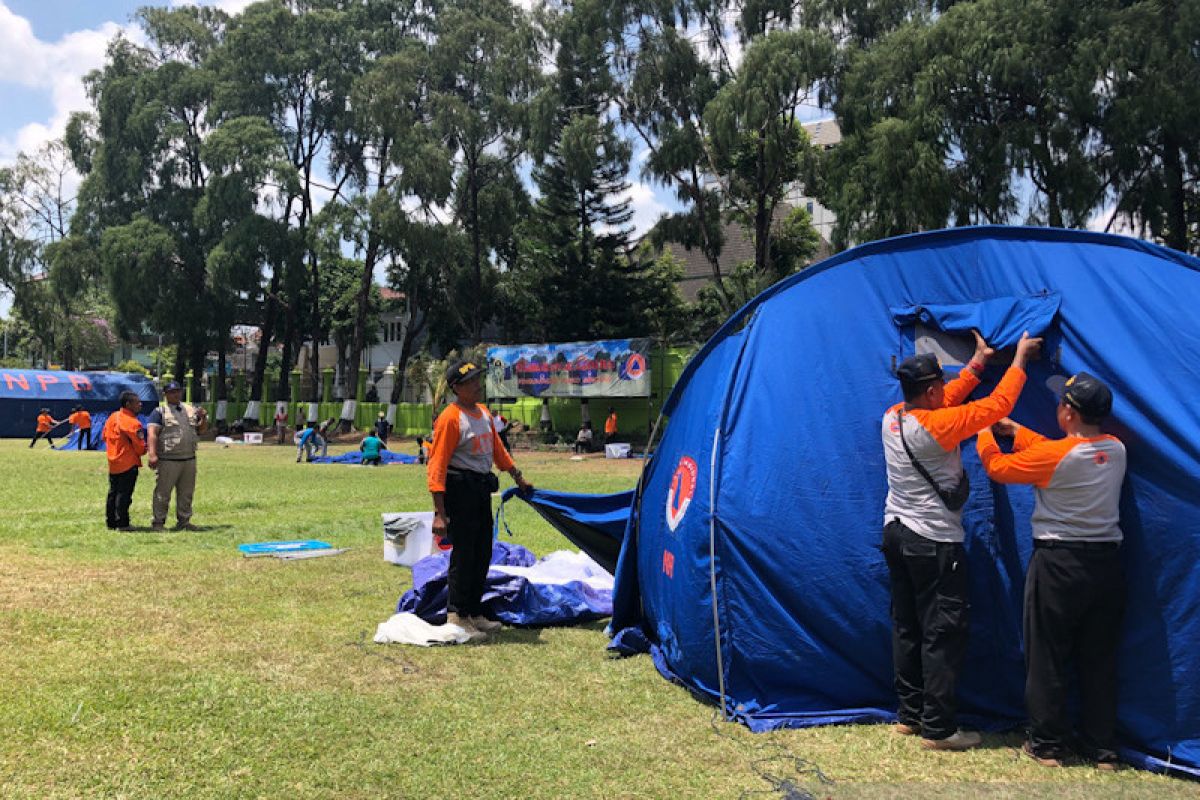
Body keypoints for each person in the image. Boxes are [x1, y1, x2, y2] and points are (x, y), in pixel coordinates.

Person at [881, 331, 1042, 751]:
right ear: (931, 389)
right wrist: (1019, 361)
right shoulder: (939, 425)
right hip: (933, 541)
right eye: (940, 385)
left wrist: (976, 365)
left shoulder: (894, 416)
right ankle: (939, 728)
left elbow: (947, 399)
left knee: (907, 626)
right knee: (942, 631)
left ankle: (910, 715)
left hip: (896, 532)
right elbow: (997, 407)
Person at [976, 372, 1126, 770]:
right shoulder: (1115, 449)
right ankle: (1102, 749)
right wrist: (1019, 430)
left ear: (1070, 412)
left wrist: (984, 432)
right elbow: (1060, 454)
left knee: (1047, 655)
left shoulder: (1056, 458)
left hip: (1059, 564)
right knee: (1098, 658)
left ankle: (1046, 745)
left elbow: (999, 468)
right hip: (1107, 565)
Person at [427, 359, 534, 640]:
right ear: (456, 388)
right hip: (459, 490)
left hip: (480, 489)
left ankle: (474, 612)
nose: (477, 385)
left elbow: (498, 450)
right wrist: (439, 513)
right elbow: (437, 465)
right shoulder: (451, 418)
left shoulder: (484, 413)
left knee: (482, 550)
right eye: (470, 381)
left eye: (477, 379)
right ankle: (457, 614)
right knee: (464, 553)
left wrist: (518, 477)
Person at [147, 380, 209, 532]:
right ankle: (158, 522)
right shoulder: (159, 412)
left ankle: (184, 521)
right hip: (168, 459)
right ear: (166, 394)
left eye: (178, 391)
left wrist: (203, 418)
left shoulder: (190, 410)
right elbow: (152, 433)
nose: (176, 394)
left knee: (186, 493)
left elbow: (201, 431)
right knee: (163, 492)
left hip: (189, 458)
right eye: (172, 392)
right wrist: (152, 454)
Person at [103, 391, 146, 531]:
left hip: (113, 461)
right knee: (124, 495)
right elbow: (140, 447)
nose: (140, 404)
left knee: (113, 493)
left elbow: (104, 436)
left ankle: (111, 522)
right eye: (137, 402)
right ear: (128, 404)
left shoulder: (112, 417)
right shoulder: (133, 423)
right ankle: (123, 523)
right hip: (128, 462)